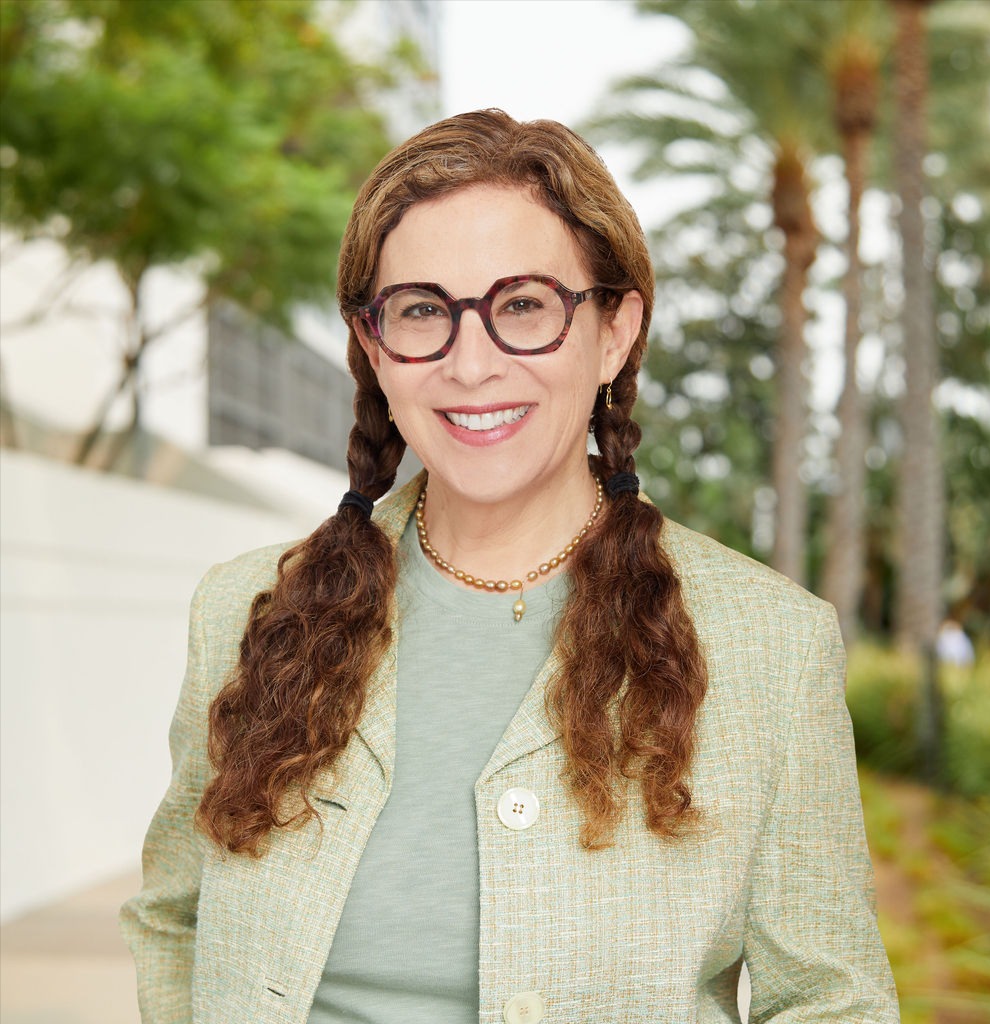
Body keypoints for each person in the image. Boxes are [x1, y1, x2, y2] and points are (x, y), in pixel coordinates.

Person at [121, 109, 899, 1023]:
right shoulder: (248, 611)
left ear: (614, 331)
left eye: (522, 306)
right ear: (375, 347)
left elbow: (830, 1001)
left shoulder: (771, 647)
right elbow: (174, 919)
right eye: (422, 312)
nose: (471, 364)